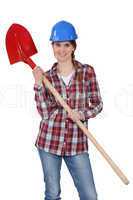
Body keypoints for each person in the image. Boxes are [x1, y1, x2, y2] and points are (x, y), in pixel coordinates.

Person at [33, 20, 103, 200]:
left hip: (76, 143)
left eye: (66, 45)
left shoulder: (87, 72)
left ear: (73, 47)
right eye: (57, 45)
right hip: (49, 141)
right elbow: (45, 113)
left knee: (90, 195)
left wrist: (82, 114)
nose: (61, 50)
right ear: (52, 46)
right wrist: (38, 85)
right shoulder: (47, 77)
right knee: (52, 193)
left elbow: (97, 104)